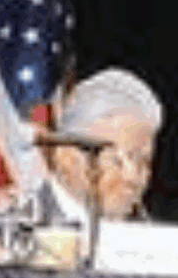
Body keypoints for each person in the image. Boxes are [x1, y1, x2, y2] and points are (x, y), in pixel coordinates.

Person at [35, 66, 162, 227]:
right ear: (65, 155)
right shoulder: (14, 223)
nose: (133, 178)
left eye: (144, 163)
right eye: (117, 160)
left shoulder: (152, 240)